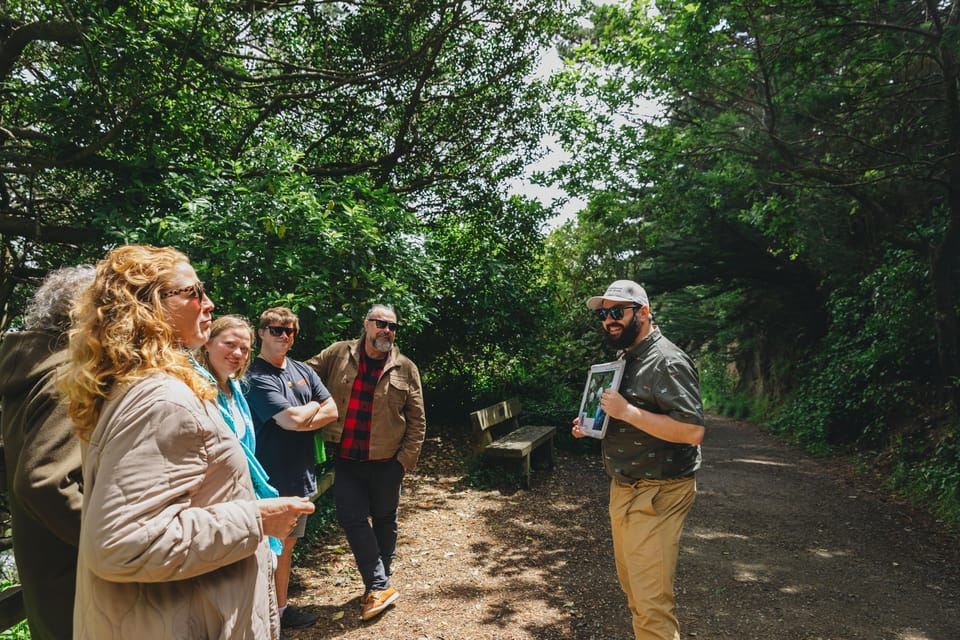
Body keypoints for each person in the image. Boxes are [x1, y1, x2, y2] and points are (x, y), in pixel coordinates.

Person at [60, 245, 314, 640]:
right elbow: (124, 543)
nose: (209, 304)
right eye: (194, 292)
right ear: (146, 305)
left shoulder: (134, 388)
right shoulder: (160, 399)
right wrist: (258, 520)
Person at [572, 280, 705, 640]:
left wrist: (626, 411)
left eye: (618, 312)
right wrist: (593, 425)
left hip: (660, 492)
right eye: (604, 313)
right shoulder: (628, 356)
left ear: (644, 312)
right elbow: (630, 415)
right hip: (626, 489)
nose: (609, 320)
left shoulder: (667, 360)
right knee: (636, 595)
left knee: (650, 606)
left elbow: (692, 431)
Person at [306, 304, 426, 621]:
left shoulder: (405, 367)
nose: (386, 330)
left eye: (392, 326)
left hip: (387, 463)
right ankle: (379, 584)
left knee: (385, 520)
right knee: (351, 518)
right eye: (380, 323)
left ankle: (377, 585)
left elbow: (417, 422)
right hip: (347, 458)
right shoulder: (338, 354)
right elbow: (303, 375)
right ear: (366, 324)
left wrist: (403, 462)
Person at [0, 265, 94, 640]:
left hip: (49, 573)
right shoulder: (67, 378)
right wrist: (118, 542)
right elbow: (45, 481)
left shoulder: (32, 367)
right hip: (74, 582)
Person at [246, 306, 338, 632]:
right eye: (276, 329)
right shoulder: (255, 377)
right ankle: (265, 619)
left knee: (286, 549)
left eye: (289, 331)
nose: (284, 336)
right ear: (260, 332)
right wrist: (312, 407)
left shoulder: (301, 369)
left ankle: (280, 612)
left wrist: (306, 413)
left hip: (300, 475)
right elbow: (291, 421)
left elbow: (333, 409)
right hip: (270, 481)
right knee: (266, 553)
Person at [196, 315, 284, 556]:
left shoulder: (236, 392)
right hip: (212, 500)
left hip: (242, 493)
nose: (238, 353)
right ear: (207, 342)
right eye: (230, 344)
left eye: (244, 349)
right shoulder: (196, 390)